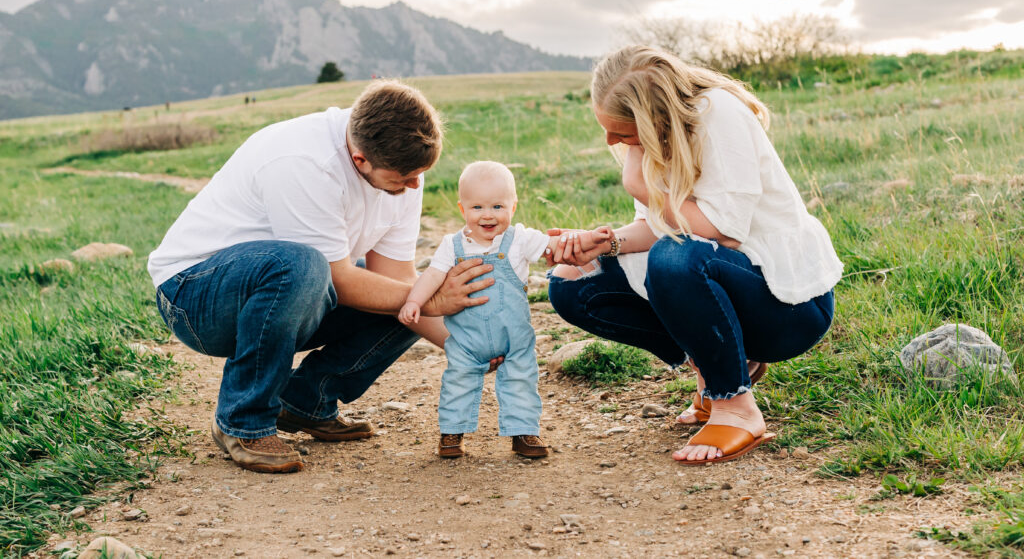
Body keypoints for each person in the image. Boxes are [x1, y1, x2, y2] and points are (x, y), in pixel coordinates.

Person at [148, 80, 497, 474]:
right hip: (195, 297)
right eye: (404, 176)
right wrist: (429, 299)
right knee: (304, 265)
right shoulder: (304, 162)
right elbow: (340, 281)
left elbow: (394, 277)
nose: (415, 185)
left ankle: (304, 402)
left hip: (289, 293)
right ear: (361, 159)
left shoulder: (401, 168)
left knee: (406, 296)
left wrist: (466, 345)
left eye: (419, 174)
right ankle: (243, 421)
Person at [546, 45, 842, 465]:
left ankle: (735, 406)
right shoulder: (653, 137)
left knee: (674, 258)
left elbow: (722, 233)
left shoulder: (719, 114)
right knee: (573, 282)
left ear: (654, 115)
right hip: (726, 281)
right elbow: (661, 225)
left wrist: (642, 187)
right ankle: (715, 365)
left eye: (621, 130)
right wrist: (604, 242)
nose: (609, 140)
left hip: (789, 306)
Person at [399, 161, 610, 459]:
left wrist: (588, 237)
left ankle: (524, 432)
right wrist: (413, 301)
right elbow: (432, 275)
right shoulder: (452, 245)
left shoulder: (519, 239)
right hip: (466, 339)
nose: (487, 215)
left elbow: (554, 244)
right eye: (477, 207)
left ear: (513, 207)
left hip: (514, 338)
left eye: (497, 206)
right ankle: (451, 432)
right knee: (458, 381)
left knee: (521, 380)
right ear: (462, 209)